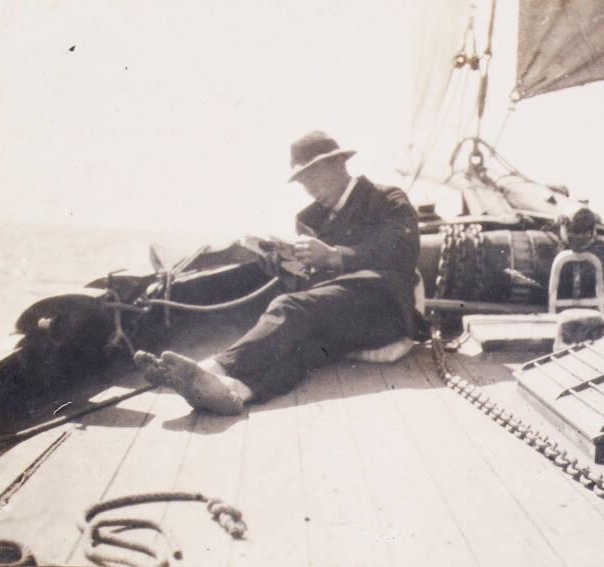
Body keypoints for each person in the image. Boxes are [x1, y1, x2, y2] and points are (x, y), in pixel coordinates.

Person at [134, 130, 421, 415]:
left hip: (383, 310)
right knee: (302, 350)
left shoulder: (386, 198)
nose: (308, 187)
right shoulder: (308, 220)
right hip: (339, 317)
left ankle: (212, 368)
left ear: (339, 163)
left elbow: (402, 252)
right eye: (302, 181)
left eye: (312, 175)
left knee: (288, 307)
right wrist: (281, 267)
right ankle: (233, 390)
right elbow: (315, 285)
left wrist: (334, 257)